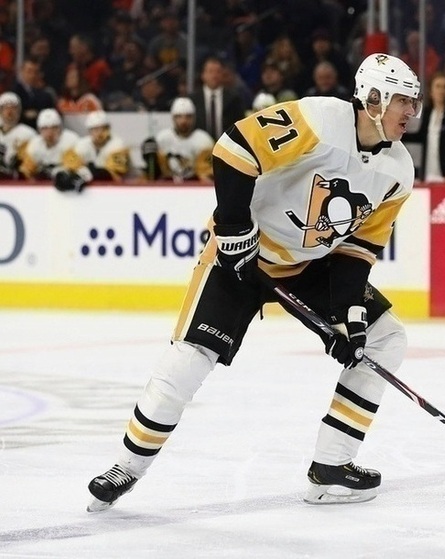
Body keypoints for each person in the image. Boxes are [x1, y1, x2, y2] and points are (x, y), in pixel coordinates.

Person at [86, 52, 421, 511]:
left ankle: (332, 465)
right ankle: (127, 465)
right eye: (404, 100)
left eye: (414, 102)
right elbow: (233, 149)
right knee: (190, 357)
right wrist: (234, 230)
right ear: (374, 98)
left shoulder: (399, 170)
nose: (411, 111)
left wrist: (351, 316)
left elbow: (356, 249)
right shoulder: (319, 119)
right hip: (242, 255)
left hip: (309, 265)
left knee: (384, 338)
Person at [53, 110, 130, 192]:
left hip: (122, 190)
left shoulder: (118, 145)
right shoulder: (82, 144)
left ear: (108, 129)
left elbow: (114, 174)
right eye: (95, 129)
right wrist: (66, 174)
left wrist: (87, 173)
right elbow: (70, 164)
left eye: (103, 129)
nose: (99, 133)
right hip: (96, 190)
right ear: (89, 131)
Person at [141, 97, 214, 182]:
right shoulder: (162, 138)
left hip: (194, 186)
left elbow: (207, 178)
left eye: (188, 116)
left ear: (194, 118)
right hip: (167, 186)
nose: (183, 121)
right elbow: (153, 176)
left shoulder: (204, 140)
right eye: (179, 116)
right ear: (173, 118)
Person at [190, 56, 247, 141]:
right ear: (203, 75)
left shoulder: (234, 99)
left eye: (218, 72)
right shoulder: (193, 100)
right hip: (199, 145)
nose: (214, 75)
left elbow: (240, 125)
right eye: (210, 71)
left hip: (227, 144)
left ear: (222, 74)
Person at [18, 108, 79, 181]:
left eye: (54, 128)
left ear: (60, 128)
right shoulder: (34, 145)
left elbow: (74, 167)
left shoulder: (71, 141)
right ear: (39, 130)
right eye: (45, 128)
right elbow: (27, 170)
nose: (50, 133)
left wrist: (54, 172)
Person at [0, 92, 38, 179]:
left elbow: (33, 163)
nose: (9, 112)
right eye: (6, 108)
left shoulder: (29, 134)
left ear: (19, 111)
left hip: (18, 181)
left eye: (13, 108)